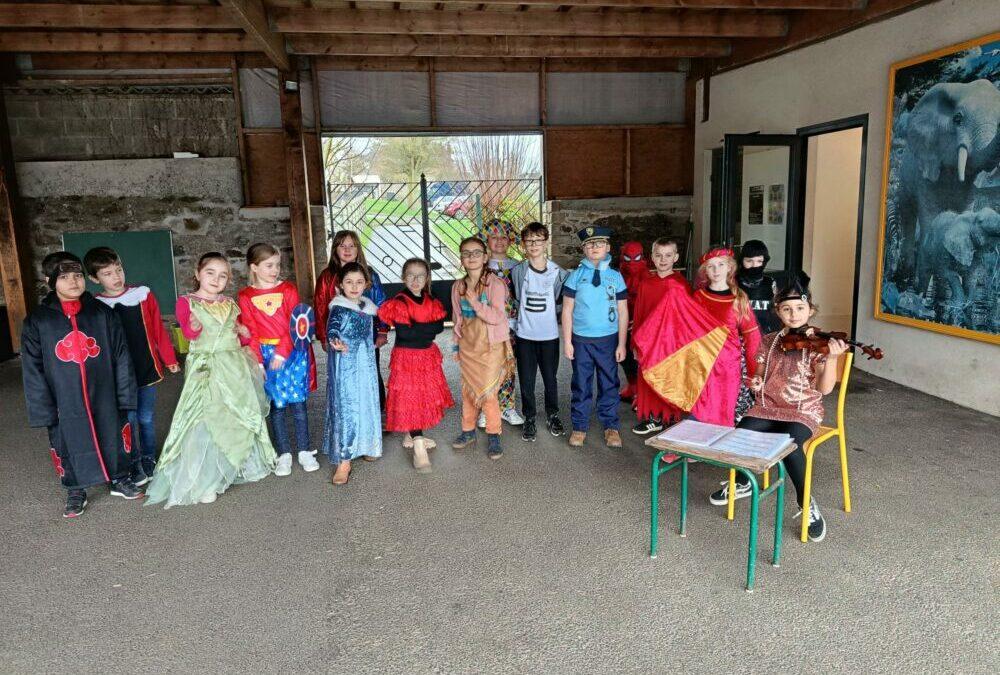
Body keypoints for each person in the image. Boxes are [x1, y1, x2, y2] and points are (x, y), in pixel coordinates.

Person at [709, 273, 847, 543]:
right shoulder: (769, 340)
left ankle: (806, 503)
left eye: (799, 308)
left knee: (789, 446)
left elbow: (824, 390)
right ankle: (743, 482)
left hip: (801, 409)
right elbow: (759, 373)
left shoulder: (818, 344)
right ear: (778, 312)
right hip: (767, 406)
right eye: (787, 309)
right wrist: (757, 382)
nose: (794, 314)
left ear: (811, 310)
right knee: (740, 434)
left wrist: (831, 359)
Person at [145, 253, 277, 507]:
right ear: (197, 273)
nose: (217, 279)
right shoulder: (187, 302)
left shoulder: (230, 303)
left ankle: (232, 467)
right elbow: (189, 333)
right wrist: (193, 325)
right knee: (205, 417)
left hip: (234, 365)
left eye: (223, 275)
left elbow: (241, 335)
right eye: (210, 273)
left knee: (234, 414)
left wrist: (246, 335)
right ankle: (205, 479)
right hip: (206, 367)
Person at [21, 252, 144, 518]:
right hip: (64, 396)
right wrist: (44, 408)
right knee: (68, 440)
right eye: (64, 277)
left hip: (105, 392)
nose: (74, 282)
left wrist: (125, 394)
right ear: (50, 280)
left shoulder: (102, 314)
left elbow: (122, 355)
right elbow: (32, 369)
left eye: (77, 275)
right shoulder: (38, 322)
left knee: (112, 431)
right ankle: (75, 488)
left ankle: (120, 477)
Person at [632, 247, 760, 429]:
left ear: (730, 268)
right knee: (697, 408)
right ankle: (689, 450)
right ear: (705, 271)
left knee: (723, 410)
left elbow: (752, 339)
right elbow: (681, 330)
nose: (716, 270)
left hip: (727, 366)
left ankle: (715, 453)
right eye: (711, 266)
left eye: (721, 265)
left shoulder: (739, 299)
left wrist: (755, 373)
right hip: (699, 363)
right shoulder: (698, 297)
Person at [84, 246, 179, 485]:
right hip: (117, 374)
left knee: (146, 417)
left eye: (118, 270)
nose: (116, 277)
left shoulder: (143, 294)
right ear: (94, 278)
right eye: (107, 273)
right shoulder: (95, 306)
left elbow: (158, 329)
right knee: (129, 418)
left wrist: (169, 359)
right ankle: (133, 460)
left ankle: (148, 457)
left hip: (145, 366)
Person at [237, 243, 319, 477]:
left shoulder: (288, 290)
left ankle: (304, 450)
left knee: (298, 403)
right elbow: (250, 330)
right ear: (254, 267)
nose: (275, 270)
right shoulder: (245, 296)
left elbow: (295, 323)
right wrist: (258, 363)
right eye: (269, 265)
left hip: (292, 353)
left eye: (277, 265)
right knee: (276, 405)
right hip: (265, 355)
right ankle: (284, 453)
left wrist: (283, 351)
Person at [378, 258, 454, 472]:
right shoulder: (400, 301)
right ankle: (419, 446)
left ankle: (412, 434)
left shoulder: (431, 300)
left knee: (422, 397)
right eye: (411, 274)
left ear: (427, 278)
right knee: (411, 399)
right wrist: (426, 328)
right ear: (404, 277)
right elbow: (406, 333)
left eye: (421, 275)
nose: (416, 279)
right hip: (407, 357)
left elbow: (439, 327)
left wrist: (422, 327)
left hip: (426, 356)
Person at [561, 226, 628, 449]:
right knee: (581, 383)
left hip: (608, 340)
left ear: (608, 247)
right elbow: (567, 311)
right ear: (583, 249)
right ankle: (579, 426)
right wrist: (568, 341)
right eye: (589, 244)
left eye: (599, 243)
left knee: (609, 383)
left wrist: (621, 343)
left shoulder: (616, 277)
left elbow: (623, 311)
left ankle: (611, 426)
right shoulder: (575, 276)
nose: (594, 247)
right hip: (581, 340)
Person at [451, 236, 514, 459]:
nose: (471, 257)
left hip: (490, 346)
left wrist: (476, 303)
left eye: (476, 252)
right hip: (468, 346)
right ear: (461, 259)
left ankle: (494, 435)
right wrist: (456, 346)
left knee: (488, 393)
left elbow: (497, 316)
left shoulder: (495, 284)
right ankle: (467, 432)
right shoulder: (458, 286)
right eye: (466, 253)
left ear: (485, 257)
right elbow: (457, 318)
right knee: (468, 392)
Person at [314, 230, 388, 416]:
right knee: (342, 376)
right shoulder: (326, 277)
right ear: (335, 249)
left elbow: (381, 304)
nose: (347, 250)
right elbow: (321, 307)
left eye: (351, 245)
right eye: (342, 245)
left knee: (371, 373)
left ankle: (378, 412)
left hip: (366, 338)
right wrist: (324, 336)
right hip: (339, 339)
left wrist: (383, 331)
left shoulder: (370, 274)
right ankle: (347, 415)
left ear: (358, 249)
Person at [323, 262, 383, 485]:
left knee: (366, 402)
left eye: (359, 282)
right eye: (349, 282)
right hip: (346, 366)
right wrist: (335, 340)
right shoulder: (339, 308)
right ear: (340, 285)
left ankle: (367, 444)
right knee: (347, 407)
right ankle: (344, 460)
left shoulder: (367, 307)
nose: (354, 286)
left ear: (366, 284)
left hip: (365, 366)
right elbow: (333, 328)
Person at [509, 221, 568, 442]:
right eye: (529, 241)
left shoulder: (558, 273)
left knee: (550, 379)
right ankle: (530, 417)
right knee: (527, 380)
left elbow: (561, 303)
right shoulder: (518, 271)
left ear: (546, 242)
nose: (534, 244)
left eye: (538, 240)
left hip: (549, 336)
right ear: (524, 244)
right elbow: (514, 300)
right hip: (525, 336)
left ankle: (553, 414)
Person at [631, 237, 691, 436]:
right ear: (652, 258)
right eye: (658, 255)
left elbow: (686, 319)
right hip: (648, 343)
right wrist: (635, 344)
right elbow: (639, 314)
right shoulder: (646, 284)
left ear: (676, 257)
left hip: (671, 344)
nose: (663, 260)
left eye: (668, 255)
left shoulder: (681, 285)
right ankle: (654, 417)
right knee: (649, 379)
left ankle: (670, 419)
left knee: (670, 381)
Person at [480, 219, 525, 427]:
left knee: (508, 365)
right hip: (486, 326)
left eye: (504, 237)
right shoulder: (480, 266)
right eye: (494, 237)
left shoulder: (517, 266)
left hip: (511, 326)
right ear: (486, 239)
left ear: (510, 240)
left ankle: (507, 407)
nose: (499, 241)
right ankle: (486, 408)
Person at [617, 240, 650, 402]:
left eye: (636, 259)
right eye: (628, 259)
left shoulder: (648, 278)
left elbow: (651, 303)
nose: (632, 264)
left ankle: (642, 392)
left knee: (641, 358)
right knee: (623, 357)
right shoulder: (617, 275)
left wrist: (640, 321)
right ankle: (632, 386)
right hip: (621, 322)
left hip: (641, 325)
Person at [737, 239, 780, 334]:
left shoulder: (771, 282)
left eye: (759, 261)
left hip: (764, 336)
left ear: (764, 262)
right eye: (749, 261)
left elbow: (777, 311)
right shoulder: (732, 282)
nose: (754, 265)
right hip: (737, 338)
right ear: (742, 261)